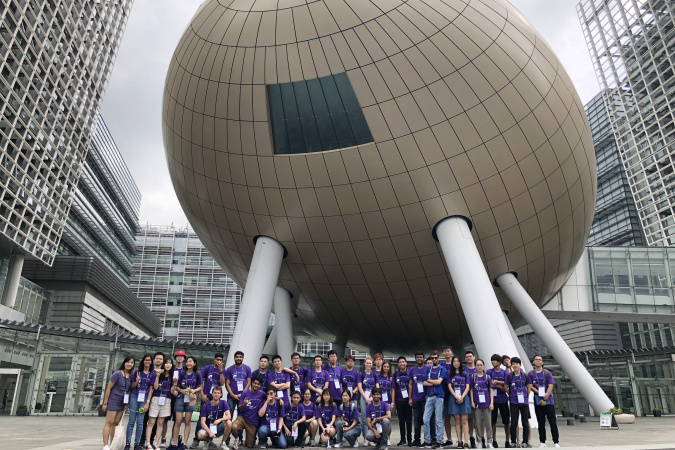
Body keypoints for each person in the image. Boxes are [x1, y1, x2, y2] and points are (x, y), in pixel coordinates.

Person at [192, 353, 227, 448]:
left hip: (216, 396)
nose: (218, 361)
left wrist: (220, 371)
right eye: (217, 359)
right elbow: (200, 381)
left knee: (214, 418)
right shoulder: (208, 368)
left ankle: (209, 439)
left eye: (220, 360)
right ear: (214, 360)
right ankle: (196, 439)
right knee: (202, 419)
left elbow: (222, 383)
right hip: (207, 397)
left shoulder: (223, 370)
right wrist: (202, 394)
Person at [102, 356, 135, 450]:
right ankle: (105, 444)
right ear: (124, 363)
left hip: (122, 402)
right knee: (109, 422)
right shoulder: (117, 374)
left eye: (132, 363)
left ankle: (113, 443)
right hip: (114, 400)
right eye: (128, 362)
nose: (129, 364)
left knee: (115, 423)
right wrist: (105, 403)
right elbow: (108, 388)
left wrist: (127, 403)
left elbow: (129, 390)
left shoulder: (131, 376)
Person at [530, 356, 559, 448]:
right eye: (536, 360)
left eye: (540, 360)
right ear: (533, 362)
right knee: (541, 422)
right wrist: (539, 393)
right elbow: (530, 386)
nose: (538, 361)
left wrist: (546, 396)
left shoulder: (547, 373)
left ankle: (556, 442)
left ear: (542, 362)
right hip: (537, 400)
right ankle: (542, 442)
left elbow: (551, 386)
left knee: (552, 422)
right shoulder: (530, 374)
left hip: (549, 400)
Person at [172, 356, 202, 447]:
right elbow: (176, 386)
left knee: (188, 421)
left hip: (191, 399)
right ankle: (174, 442)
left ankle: (184, 443)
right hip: (181, 398)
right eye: (188, 362)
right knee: (178, 421)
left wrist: (195, 390)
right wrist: (181, 390)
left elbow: (200, 386)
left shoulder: (197, 374)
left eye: (191, 362)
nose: (188, 363)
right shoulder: (182, 373)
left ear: (194, 363)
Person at [127, 354, 155, 450]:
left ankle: (137, 444)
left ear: (151, 362)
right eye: (145, 360)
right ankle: (127, 443)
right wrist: (137, 381)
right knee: (131, 421)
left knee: (140, 422)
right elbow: (132, 386)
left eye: (149, 360)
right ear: (143, 361)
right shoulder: (137, 372)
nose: (147, 362)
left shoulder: (152, 374)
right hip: (135, 396)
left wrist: (147, 403)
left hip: (144, 398)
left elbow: (151, 389)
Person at [146, 357, 174, 450]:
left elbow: (172, 391)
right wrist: (157, 376)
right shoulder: (156, 373)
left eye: (170, 363)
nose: (168, 365)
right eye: (166, 363)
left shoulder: (172, 376)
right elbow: (156, 387)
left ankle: (156, 443)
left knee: (161, 423)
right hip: (156, 399)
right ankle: (148, 443)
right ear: (163, 364)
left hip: (166, 400)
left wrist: (175, 383)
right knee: (151, 422)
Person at [225, 350, 252, 446]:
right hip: (231, 397)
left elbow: (249, 382)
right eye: (237, 357)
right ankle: (227, 438)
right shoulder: (230, 369)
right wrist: (232, 394)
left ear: (243, 358)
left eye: (240, 357)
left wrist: (243, 393)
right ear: (234, 358)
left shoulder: (247, 368)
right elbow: (227, 383)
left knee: (241, 417)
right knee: (229, 417)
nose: (238, 358)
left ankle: (240, 439)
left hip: (242, 397)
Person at [231, 376, 266, 449]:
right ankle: (237, 439)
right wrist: (244, 404)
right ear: (252, 383)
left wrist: (279, 399)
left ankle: (247, 440)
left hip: (252, 421)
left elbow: (270, 395)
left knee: (250, 445)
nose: (256, 385)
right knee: (233, 426)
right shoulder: (245, 393)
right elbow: (239, 408)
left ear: (260, 385)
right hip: (243, 418)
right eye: (255, 383)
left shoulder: (262, 394)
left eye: (258, 384)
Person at [505, 357, 532, 448]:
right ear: (511, 365)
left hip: (524, 403)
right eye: (513, 364)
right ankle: (513, 441)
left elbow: (529, 385)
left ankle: (525, 441)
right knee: (513, 422)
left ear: (520, 365)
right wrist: (511, 394)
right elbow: (505, 387)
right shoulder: (510, 375)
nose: (515, 365)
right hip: (514, 402)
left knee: (525, 422)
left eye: (517, 364)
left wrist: (526, 394)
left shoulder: (525, 375)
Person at [422, 350, 446, 449]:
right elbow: (423, 383)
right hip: (429, 396)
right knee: (425, 419)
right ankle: (427, 441)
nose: (434, 359)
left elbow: (439, 382)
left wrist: (430, 381)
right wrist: (434, 382)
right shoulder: (428, 369)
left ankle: (439, 441)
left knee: (439, 420)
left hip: (439, 396)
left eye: (436, 357)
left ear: (438, 358)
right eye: (432, 358)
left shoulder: (442, 369)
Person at [141, 352, 165, 447]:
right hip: (147, 398)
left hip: (158, 400)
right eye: (157, 358)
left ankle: (151, 440)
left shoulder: (164, 372)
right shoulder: (149, 371)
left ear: (162, 361)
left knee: (155, 422)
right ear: (154, 360)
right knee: (144, 420)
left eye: (161, 359)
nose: (158, 360)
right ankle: (142, 439)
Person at [487, 354, 510, 449]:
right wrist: (500, 386)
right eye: (492, 360)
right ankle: (494, 440)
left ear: (499, 362)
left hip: (503, 400)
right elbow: (489, 383)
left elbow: (507, 385)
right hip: (493, 400)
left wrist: (497, 382)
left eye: (495, 360)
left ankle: (507, 441)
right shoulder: (489, 371)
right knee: (493, 421)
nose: (493, 362)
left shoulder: (505, 372)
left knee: (506, 422)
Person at [449, 356, 472, 449]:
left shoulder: (465, 373)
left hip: (464, 397)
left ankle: (466, 442)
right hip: (454, 396)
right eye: (454, 361)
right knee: (457, 420)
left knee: (464, 421)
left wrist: (462, 397)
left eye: (457, 361)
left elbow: (467, 386)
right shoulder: (450, 374)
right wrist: (456, 396)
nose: (456, 363)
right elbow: (449, 386)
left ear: (460, 363)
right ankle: (459, 441)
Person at [469, 360, 494, 449]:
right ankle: (479, 441)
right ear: (475, 366)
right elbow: (471, 390)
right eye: (477, 365)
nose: (479, 367)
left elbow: (491, 390)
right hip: (477, 404)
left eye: (481, 365)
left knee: (488, 423)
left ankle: (489, 442)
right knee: (477, 424)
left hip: (487, 403)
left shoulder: (487, 377)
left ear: (483, 366)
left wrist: (491, 403)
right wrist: (472, 401)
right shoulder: (473, 377)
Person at [357, 357, 379, 443]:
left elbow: (377, 387)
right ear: (365, 364)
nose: (368, 365)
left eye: (370, 363)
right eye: (367, 363)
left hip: (373, 398)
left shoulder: (374, 375)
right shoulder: (361, 374)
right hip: (364, 398)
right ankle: (366, 438)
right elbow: (359, 387)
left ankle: (372, 438)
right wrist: (366, 398)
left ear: (372, 364)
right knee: (364, 419)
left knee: (373, 418)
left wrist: (372, 397)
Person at [407, 351, 427, 447]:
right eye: (417, 357)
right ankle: (417, 439)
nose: (419, 358)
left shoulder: (428, 368)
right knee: (416, 420)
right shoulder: (412, 370)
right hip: (415, 399)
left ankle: (427, 439)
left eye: (421, 357)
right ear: (415, 359)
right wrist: (410, 398)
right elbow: (410, 384)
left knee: (427, 420)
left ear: (424, 358)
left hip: (426, 399)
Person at [393, 356, 412, 447]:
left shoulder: (410, 373)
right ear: (398, 364)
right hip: (399, 400)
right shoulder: (395, 374)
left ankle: (409, 440)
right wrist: (393, 402)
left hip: (408, 400)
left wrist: (411, 399)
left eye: (403, 362)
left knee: (408, 420)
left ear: (406, 363)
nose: (402, 363)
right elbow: (393, 389)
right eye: (400, 362)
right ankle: (402, 440)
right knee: (401, 421)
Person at [439, 346, 454, 449]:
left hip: (456, 394)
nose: (446, 353)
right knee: (446, 418)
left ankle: (461, 440)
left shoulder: (456, 363)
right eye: (444, 351)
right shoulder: (441, 365)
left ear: (451, 352)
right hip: (444, 394)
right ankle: (449, 439)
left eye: (448, 351)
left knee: (459, 418)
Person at [464, 352, 477, 449]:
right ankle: (471, 437)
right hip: (467, 397)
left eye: (470, 356)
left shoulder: (479, 369)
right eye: (467, 357)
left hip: (479, 397)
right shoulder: (464, 370)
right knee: (469, 419)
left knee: (480, 419)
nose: (468, 358)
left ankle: (481, 438)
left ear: (474, 357)